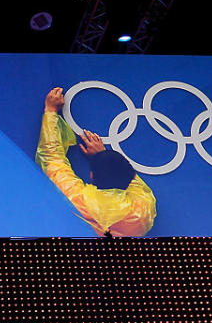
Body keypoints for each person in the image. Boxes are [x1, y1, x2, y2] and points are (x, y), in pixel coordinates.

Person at [37, 87, 157, 237]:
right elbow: (136, 184)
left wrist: (50, 110)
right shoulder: (143, 211)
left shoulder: (75, 197)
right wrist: (102, 155)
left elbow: (51, 157)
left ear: (92, 175)